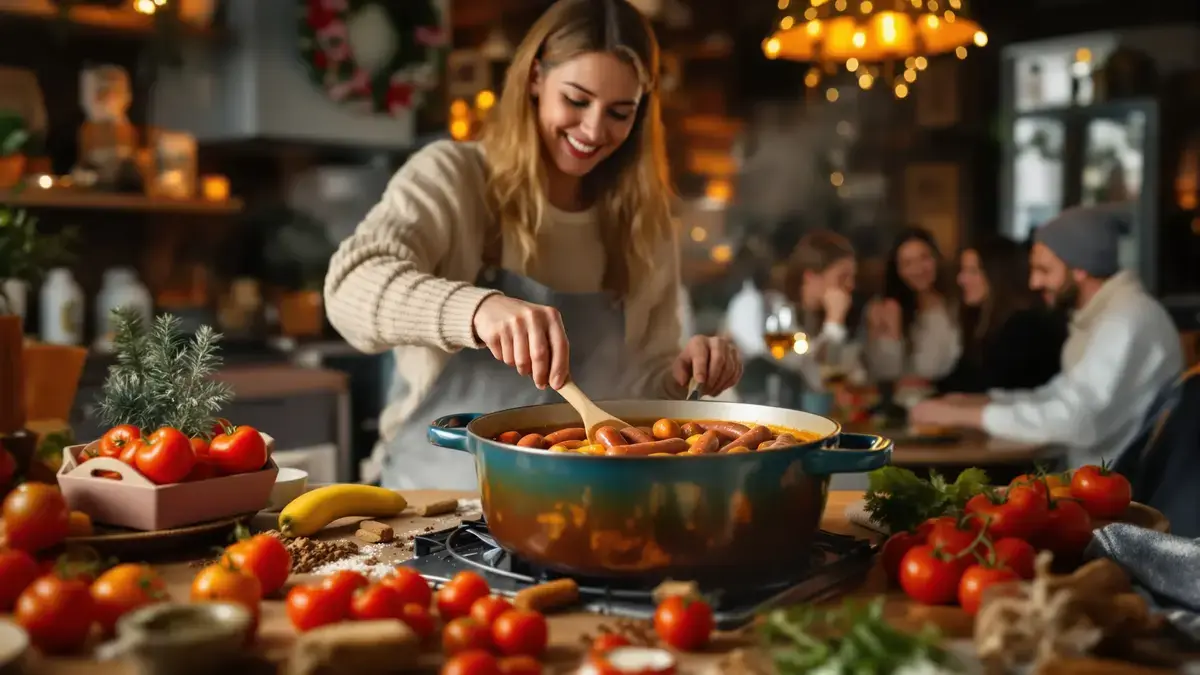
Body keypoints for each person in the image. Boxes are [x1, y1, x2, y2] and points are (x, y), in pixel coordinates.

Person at [324, 0, 742, 490]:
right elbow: (349, 287)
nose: (592, 130)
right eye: (577, 100)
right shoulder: (453, 176)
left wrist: (680, 375)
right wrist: (478, 310)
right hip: (433, 496)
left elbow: (634, 389)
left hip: (582, 498)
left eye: (619, 113)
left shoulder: (644, 223)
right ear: (536, 78)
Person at [911, 206, 1183, 468]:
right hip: (1086, 477)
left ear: (1080, 268)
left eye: (1044, 270)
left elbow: (1078, 419)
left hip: (1114, 494)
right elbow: (1060, 395)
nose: (1034, 283)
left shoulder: (1126, 318)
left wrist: (968, 415)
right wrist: (989, 401)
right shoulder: (1105, 314)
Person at [936, 236, 1067, 394]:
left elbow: (994, 389)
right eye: (962, 270)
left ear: (998, 274)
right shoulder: (981, 318)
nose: (961, 279)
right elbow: (960, 378)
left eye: (972, 271)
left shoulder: (1026, 326)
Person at [863, 227, 960, 384]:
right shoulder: (882, 308)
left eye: (924, 258)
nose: (918, 269)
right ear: (897, 270)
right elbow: (885, 374)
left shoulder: (955, 306)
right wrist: (892, 333)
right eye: (907, 263)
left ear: (937, 259)